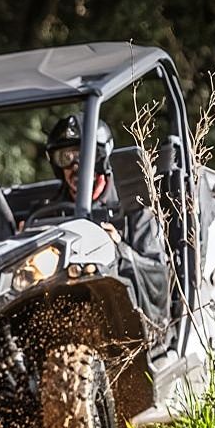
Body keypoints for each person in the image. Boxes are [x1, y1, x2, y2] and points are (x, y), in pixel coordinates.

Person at [43, 115, 170, 331]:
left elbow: (157, 275)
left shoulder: (134, 205)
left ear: (101, 158)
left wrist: (118, 249)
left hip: (122, 318)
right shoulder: (47, 212)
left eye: (84, 155)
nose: (75, 165)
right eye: (65, 157)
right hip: (64, 314)